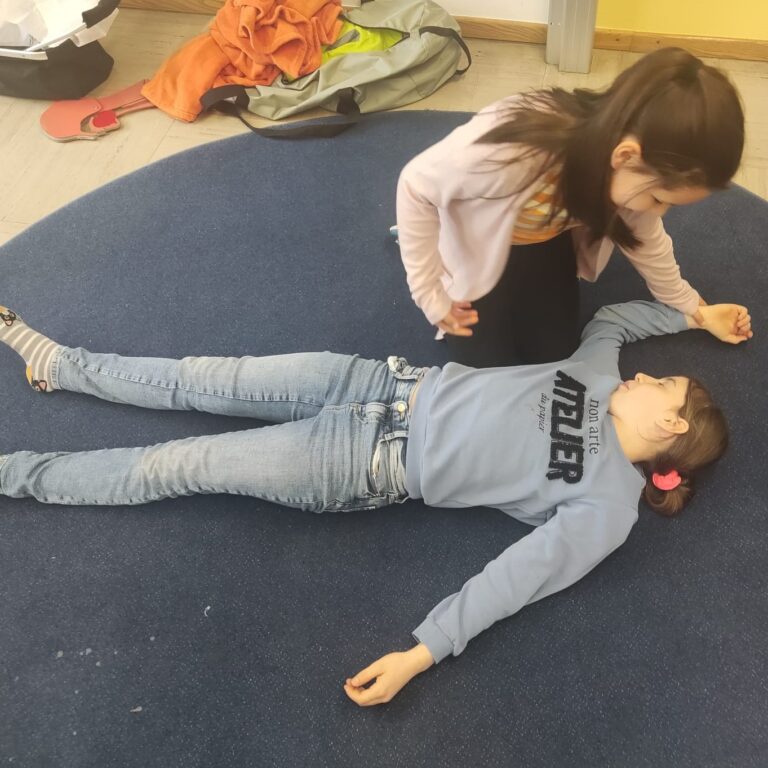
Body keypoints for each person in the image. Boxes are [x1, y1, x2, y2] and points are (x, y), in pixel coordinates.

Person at [0, 300, 752, 706]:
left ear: (671, 428)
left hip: (359, 461)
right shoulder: (597, 375)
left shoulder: (609, 507)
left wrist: (420, 653)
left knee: (180, 464)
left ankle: (19, 474)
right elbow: (614, 320)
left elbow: (517, 579)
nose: (646, 378)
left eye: (664, 386)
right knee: (202, 377)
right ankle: (60, 363)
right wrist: (696, 316)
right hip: (374, 380)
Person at [394, 47, 746, 367]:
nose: (659, 212)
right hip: (476, 243)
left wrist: (695, 308)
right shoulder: (513, 150)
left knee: (555, 354)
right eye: (659, 200)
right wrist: (430, 293)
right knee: (482, 368)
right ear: (625, 156)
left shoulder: (628, 174)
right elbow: (415, 186)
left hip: (544, 240)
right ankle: (415, 239)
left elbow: (649, 243)